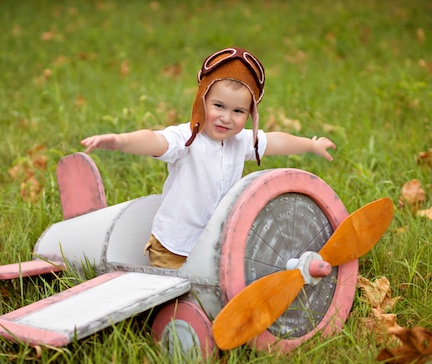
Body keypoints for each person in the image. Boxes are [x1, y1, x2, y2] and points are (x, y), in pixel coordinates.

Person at [81, 47, 335, 269]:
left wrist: (310, 145)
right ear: (202, 101)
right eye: (219, 106)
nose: (226, 117)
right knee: (174, 296)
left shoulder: (241, 141)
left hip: (214, 244)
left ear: (250, 114)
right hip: (174, 245)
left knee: (211, 292)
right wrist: (119, 141)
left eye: (238, 111)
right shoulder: (187, 138)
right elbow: (154, 140)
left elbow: (276, 140)